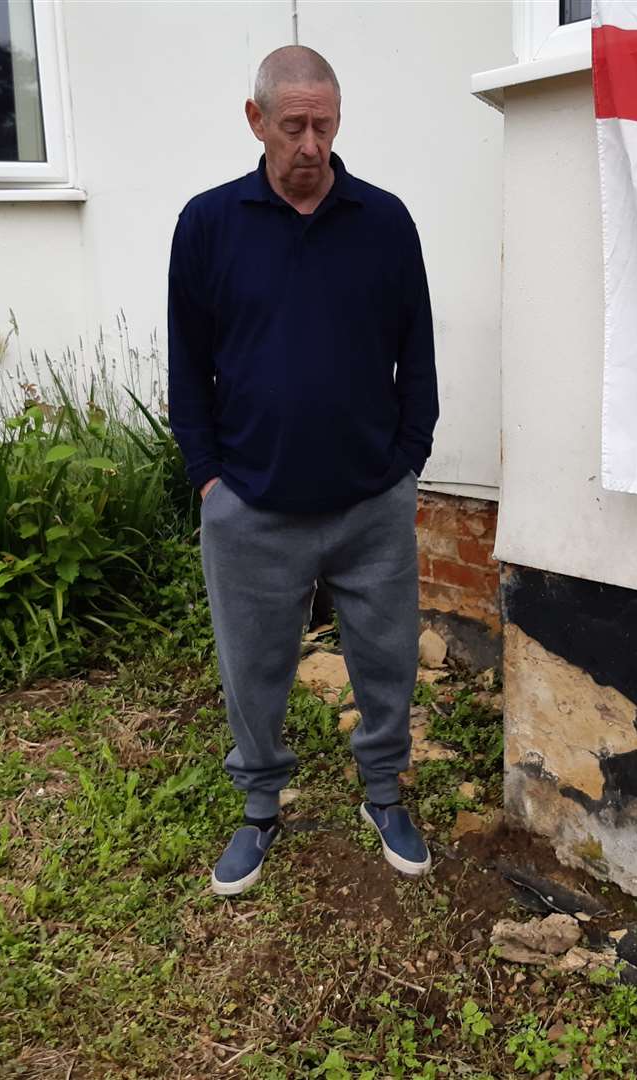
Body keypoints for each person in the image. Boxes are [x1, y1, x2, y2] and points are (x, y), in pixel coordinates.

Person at [166, 45, 439, 896]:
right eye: (294, 126)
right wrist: (210, 477)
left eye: (325, 124)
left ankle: (385, 792)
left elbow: (416, 355)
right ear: (256, 122)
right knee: (252, 666)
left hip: (370, 503)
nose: (312, 144)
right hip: (252, 504)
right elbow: (188, 364)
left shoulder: (385, 222)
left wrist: (407, 461)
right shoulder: (209, 226)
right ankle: (258, 806)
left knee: (388, 658)